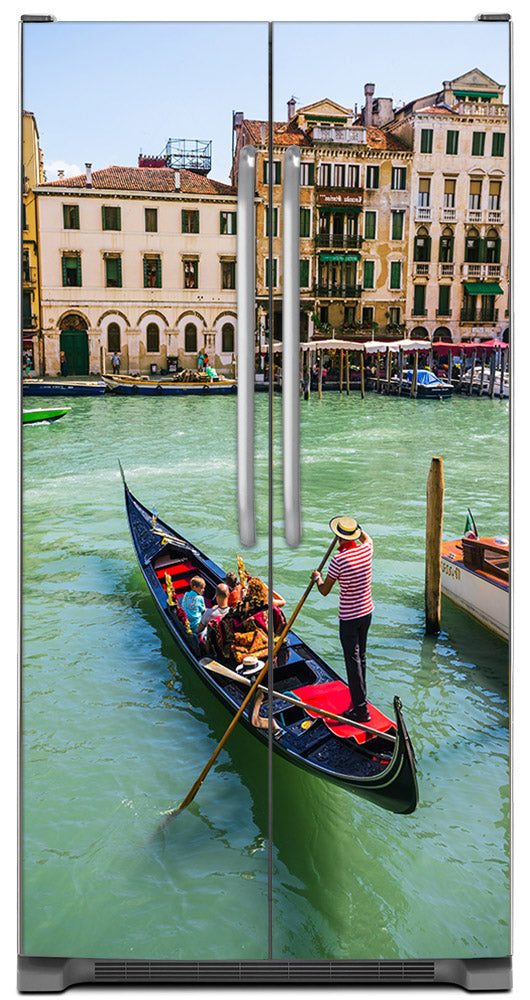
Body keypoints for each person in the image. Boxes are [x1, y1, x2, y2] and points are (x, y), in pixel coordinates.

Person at [312, 516, 374, 722]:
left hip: (349, 617)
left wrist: (317, 578)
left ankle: (361, 709)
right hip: (366, 612)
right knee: (361, 657)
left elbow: (324, 590)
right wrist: (355, 525)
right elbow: (367, 538)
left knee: (352, 661)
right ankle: (361, 699)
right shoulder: (367, 550)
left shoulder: (338, 561)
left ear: (339, 537)